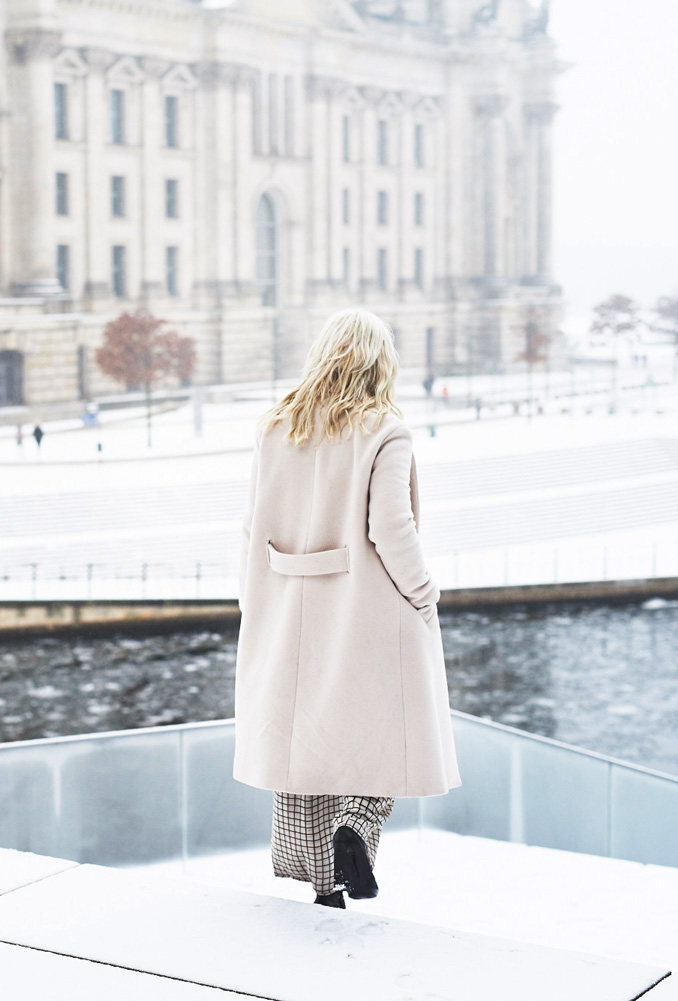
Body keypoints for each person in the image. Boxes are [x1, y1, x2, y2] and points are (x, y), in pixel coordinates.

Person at [234, 307, 460, 910]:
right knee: (383, 732)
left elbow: (253, 527)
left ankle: (323, 888)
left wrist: (251, 604)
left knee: (302, 748)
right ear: (379, 362)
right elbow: (391, 526)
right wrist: (425, 593)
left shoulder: (276, 426)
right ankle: (356, 829)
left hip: (287, 610)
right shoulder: (384, 430)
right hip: (365, 612)